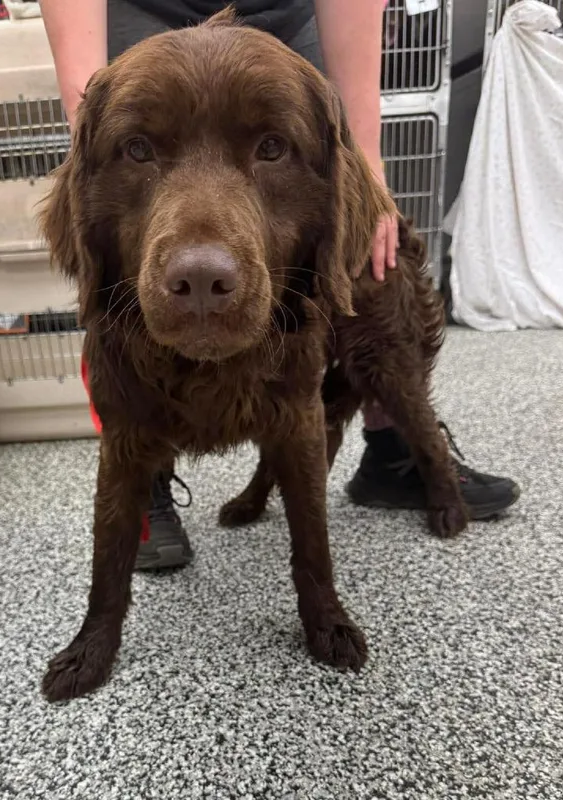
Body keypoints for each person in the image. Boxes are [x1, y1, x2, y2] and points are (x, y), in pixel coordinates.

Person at [41, 0, 521, 570]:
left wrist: (364, 164)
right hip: (138, 7)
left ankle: (394, 452)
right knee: (140, 261)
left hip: (296, 10)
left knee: (363, 255)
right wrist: (92, 133)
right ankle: (145, 481)